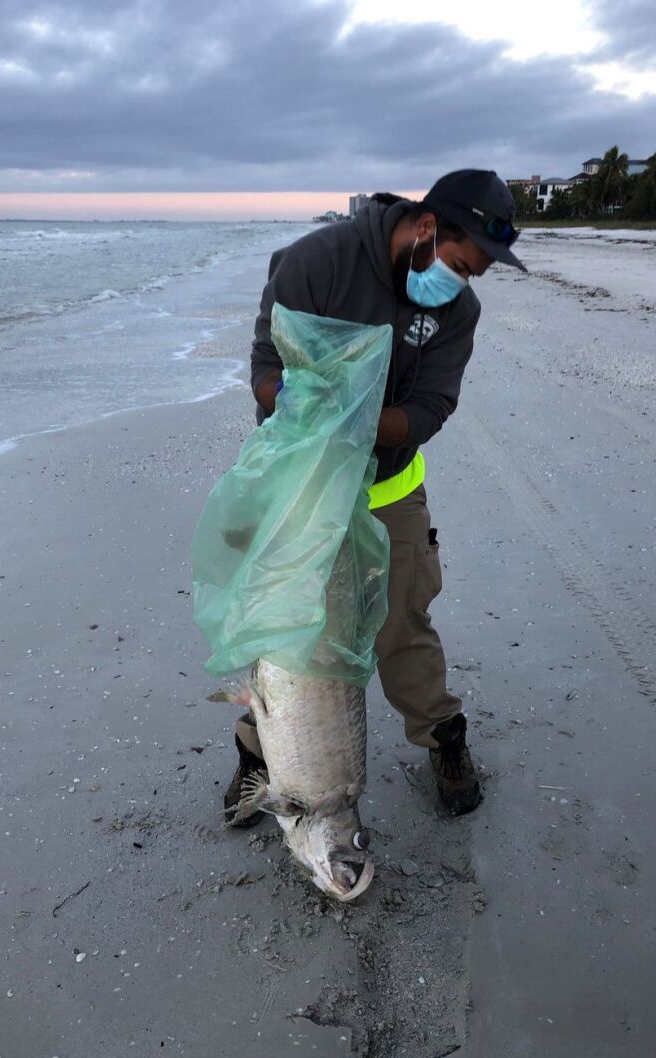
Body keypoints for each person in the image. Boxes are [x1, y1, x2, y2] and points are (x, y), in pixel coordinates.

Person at [225, 169, 525, 825]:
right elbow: (263, 372)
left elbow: (426, 412)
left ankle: (444, 740)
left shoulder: (457, 312)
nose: (462, 283)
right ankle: (257, 758)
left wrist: (349, 417)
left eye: (474, 273)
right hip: (300, 490)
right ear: (425, 227)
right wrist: (306, 403)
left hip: (389, 488)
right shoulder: (316, 263)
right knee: (286, 637)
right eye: (460, 263)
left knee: (401, 626)